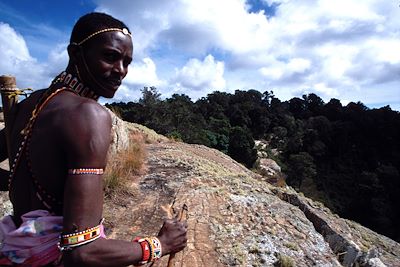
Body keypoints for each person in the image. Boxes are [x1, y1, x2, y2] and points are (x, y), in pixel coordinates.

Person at [0, 12, 187, 266]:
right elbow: (83, 252)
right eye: (110, 56)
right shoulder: (88, 115)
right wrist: (160, 245)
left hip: (13, 255)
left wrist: (26, 199)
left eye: (127, 62)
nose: (121, 70)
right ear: (76, 54)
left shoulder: (27, 105)